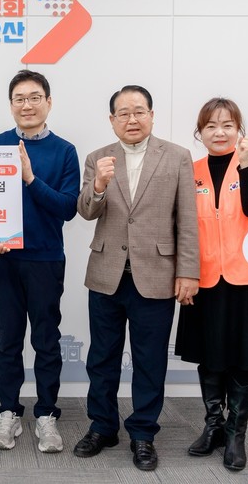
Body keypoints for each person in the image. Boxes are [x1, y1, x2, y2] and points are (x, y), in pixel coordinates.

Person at [74, 85, 200, 471]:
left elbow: (187, 220)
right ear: (112, 120)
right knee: (102, 358)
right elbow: (85, 212)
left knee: (149, 361)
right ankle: (102, 426)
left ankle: (143, 433)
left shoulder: (177, 157)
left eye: (139, 111)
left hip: (156, 275)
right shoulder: (98, 158)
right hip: (107, 274)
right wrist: (98, 186)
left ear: (151, 115)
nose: (132, 119)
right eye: (124, 113)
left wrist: (188, 271)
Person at [175, 97, 248, 471]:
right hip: (204, 279)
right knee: (210, 357)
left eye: (227, 125)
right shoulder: (191, 172)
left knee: (243, 359)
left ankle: (236, 434)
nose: (219, 132)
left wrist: (245, 164)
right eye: (211, 126)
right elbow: (181, 226)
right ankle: (214, 427)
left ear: (239, 129)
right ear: (200, 132)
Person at [0, 70, 80, 453]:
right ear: (11, 105)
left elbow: (67, 208)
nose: (27, 105)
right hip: (4, 260)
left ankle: (46, 415)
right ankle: (8, 412)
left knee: (46, 339)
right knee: (8, 339)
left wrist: (30, 178)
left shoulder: (65, 151)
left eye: (35, 97)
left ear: (48, 102)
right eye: (20, 99)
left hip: (45, 259)